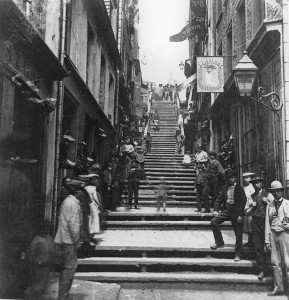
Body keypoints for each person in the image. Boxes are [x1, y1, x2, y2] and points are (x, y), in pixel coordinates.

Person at [54, 188, 84, 300]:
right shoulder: (73, 204)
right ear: (77, 192)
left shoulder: (67, 201)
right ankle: (63, 296)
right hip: (69, 241)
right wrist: (77, 240)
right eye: (81, 192)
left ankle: (63, 295)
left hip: (63, 239)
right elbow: (74, 225)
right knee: (69, 269)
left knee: (66, 268)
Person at [210, 170, 247, 261]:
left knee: (238, 233)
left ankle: (238, 254)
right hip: (226, 210)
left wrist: (240, 215)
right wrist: (216, 210)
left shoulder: (239, 189)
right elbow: (218, 200)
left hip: (236, 212)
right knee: (214, 221)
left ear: (235, 178)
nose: (231, 179)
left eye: (232, 177)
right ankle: (219, 242)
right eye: (229, 178)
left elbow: (243, 202)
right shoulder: (225, 188)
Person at [265, 181, 289, 296]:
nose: (277, 193)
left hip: (285, 235)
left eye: (278, 191)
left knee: (287, 262)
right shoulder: (270, 205)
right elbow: (267, 223)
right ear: (272, 193)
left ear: (282, 191)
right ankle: (278, 287)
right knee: (275, 262)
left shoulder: (287, 204)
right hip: (273, 234)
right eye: (274, 191)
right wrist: (267, 239)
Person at [248, 175, 274, 281]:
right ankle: (262, 269)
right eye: (254, 183)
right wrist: (251, 207)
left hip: (267, 222)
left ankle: (273, 268)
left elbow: (275, 208)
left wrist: (267, 202)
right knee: (258, 246)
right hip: (255, 221)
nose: (256, 184)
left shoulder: (268, 195)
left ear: (261, 183)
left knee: (269, 246)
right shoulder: (251, 196)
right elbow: (246, 211)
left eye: (258, 182)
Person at [24, 220, 54, 300]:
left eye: (48, 228)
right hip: (38, 266)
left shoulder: (50, 239)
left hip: (47, 265)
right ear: (40, 229)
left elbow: (52, 251)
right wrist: (35, 262)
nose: (46, 230)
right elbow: (32, 253)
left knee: (44, 284)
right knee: (37, 284)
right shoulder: (37, 240)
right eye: (44, 228)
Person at [85, 174, 102, 244]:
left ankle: (89, 236)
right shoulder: (93, 188)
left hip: (88, 204)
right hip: (92, 204)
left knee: (89, 219)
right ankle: (91, 236)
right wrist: (99, 204)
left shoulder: (86, 187)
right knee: (94, 219)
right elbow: (95, 198)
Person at [242, 172, 255, 247]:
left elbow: (252, 199)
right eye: (244, 178)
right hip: (245, 207)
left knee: (251, 225)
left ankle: (252, 241)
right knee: (247, 226)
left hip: (250, 208)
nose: (245, 179)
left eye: (247, 178)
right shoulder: (244, 187)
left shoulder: (252, 187)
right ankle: (249, 241)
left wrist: (250, 208)